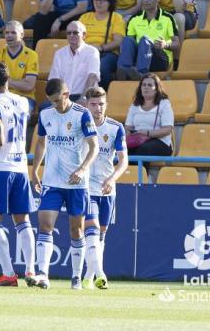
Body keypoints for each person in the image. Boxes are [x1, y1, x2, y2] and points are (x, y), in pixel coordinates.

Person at [30, 78, 98, 290]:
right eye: (51, 101)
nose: (54, 105)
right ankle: (43, 274)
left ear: (67, 95)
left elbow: (94, 146)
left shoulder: (82, 114)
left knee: (76, 230)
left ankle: (76, 277)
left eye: (57, 101)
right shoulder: (45, 114)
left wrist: (82, 169)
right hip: (52, 181)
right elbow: (41, 142)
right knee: (44, 224)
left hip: (76, 183)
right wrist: (35, 170)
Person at [0, 62, 36, 287]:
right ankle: (31, 271)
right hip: (21, 167)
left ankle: (8, 274)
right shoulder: (24, 102)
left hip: (0, 168)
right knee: (22, 220)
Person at [83, 86, 128, 290]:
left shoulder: (115, 127)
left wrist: (112, 178)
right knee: (91, 230)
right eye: (93, 104)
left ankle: (89, 276)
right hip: (86, 187)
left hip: (107, 188)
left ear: (106, 104)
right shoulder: (79, 125)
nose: (97, 108)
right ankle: (101, 274)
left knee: (101, 235)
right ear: (86, 104)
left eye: (101, 104)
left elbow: (123, 160)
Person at [116, 0, 179, 81]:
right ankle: (123, 71)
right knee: (127, 40)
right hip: (139, 56)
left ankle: (141, 74)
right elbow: (129, 46)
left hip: (160, 58)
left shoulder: (168, 18)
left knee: (144, 40)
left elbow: (177, 44)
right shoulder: (134, 19)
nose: (145, 0)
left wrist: (165, 44)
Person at [79, 0, 125, 90]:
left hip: (108, 53)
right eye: (96, 0)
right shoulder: (85, 17)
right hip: (86, 51)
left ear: (109, 2)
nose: (99, 3)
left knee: (102, 67)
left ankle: (102, 94)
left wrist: (101, 48)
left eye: (102, 0)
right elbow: (77, 38)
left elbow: (118, 41)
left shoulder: (116, 17)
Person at [124, 73, 174, 159]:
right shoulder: (134, 106)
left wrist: (148, 133)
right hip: (138, 140)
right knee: (123, 150)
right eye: (143, 85)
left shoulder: (164, 104)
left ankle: (142, 173)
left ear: (156, 89)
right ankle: (129, 172)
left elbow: (167, 130)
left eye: (150, 85)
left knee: (143, 150)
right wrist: (128, 134)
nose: (146, 87)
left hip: (160, 142)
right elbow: (128, 128)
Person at [49, 21, 100, 102]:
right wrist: (58, 100)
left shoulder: (92, 52)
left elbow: (92, 77)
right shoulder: (59, 53)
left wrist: (83, 98)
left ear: (84, 35)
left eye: (75, 33)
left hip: (83, 95)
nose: (71, 35)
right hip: (63, 97)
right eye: (69, 33)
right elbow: (54, 80)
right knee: (44, 108)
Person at [0, 21, 38, 113]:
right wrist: (19, 82)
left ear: (22, 35)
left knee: (18, 117)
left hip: (25, 98)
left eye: (13, 32)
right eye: (7, 33)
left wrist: (4, 81)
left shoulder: (31, 55)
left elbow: (29, 85)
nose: (9, 35)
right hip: (3, 96)